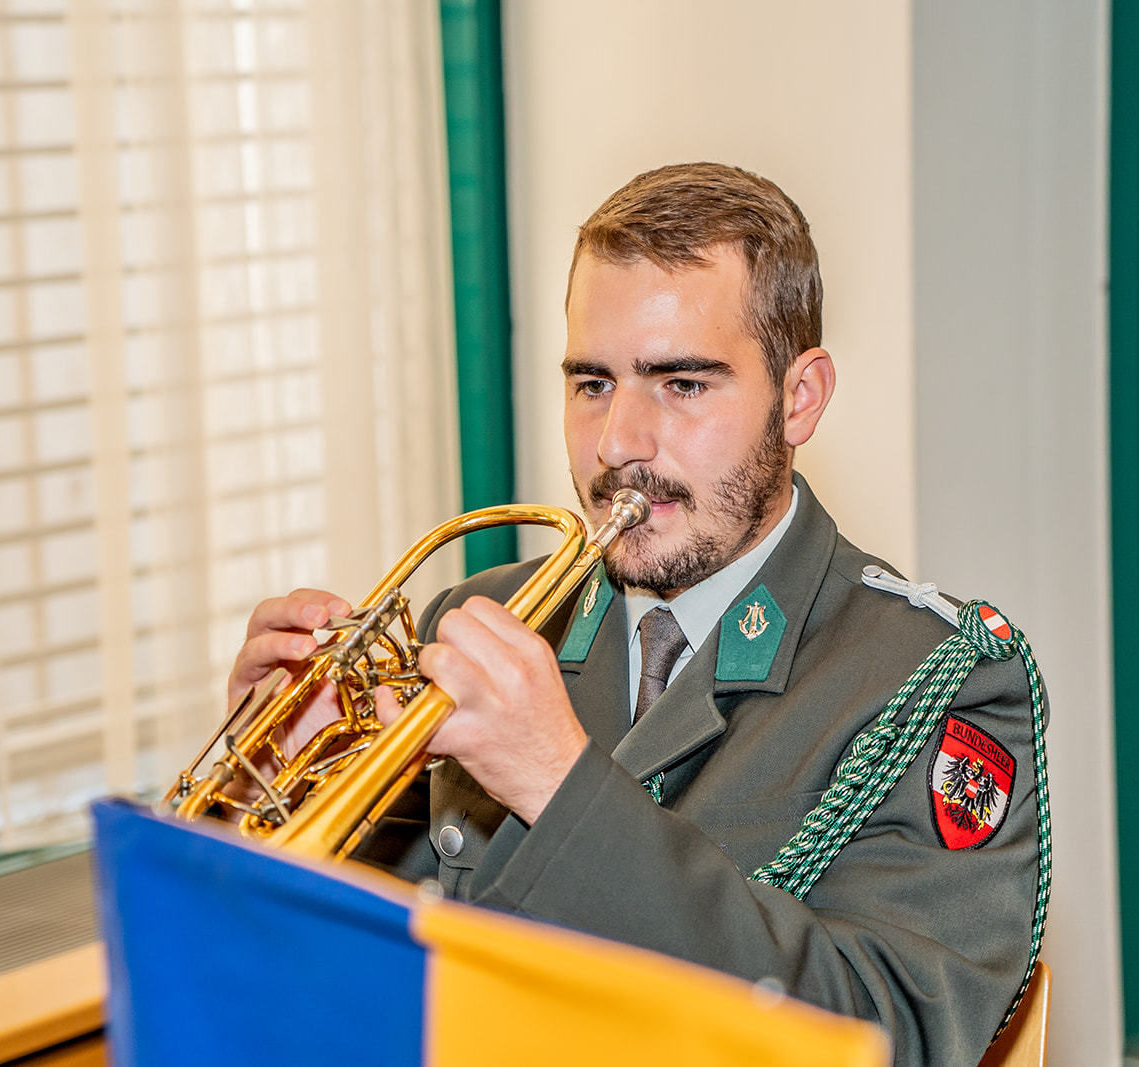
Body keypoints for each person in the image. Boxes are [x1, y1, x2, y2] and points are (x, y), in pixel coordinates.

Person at [228, 163, 1046, 1065]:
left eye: (682, 384)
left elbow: (894, 1036)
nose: (619, 442)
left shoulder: (933, 682)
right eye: (591, 383)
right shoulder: (481, 618)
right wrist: (269, 781)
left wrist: (558, 783)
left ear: (799, 397)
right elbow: (331, 969)